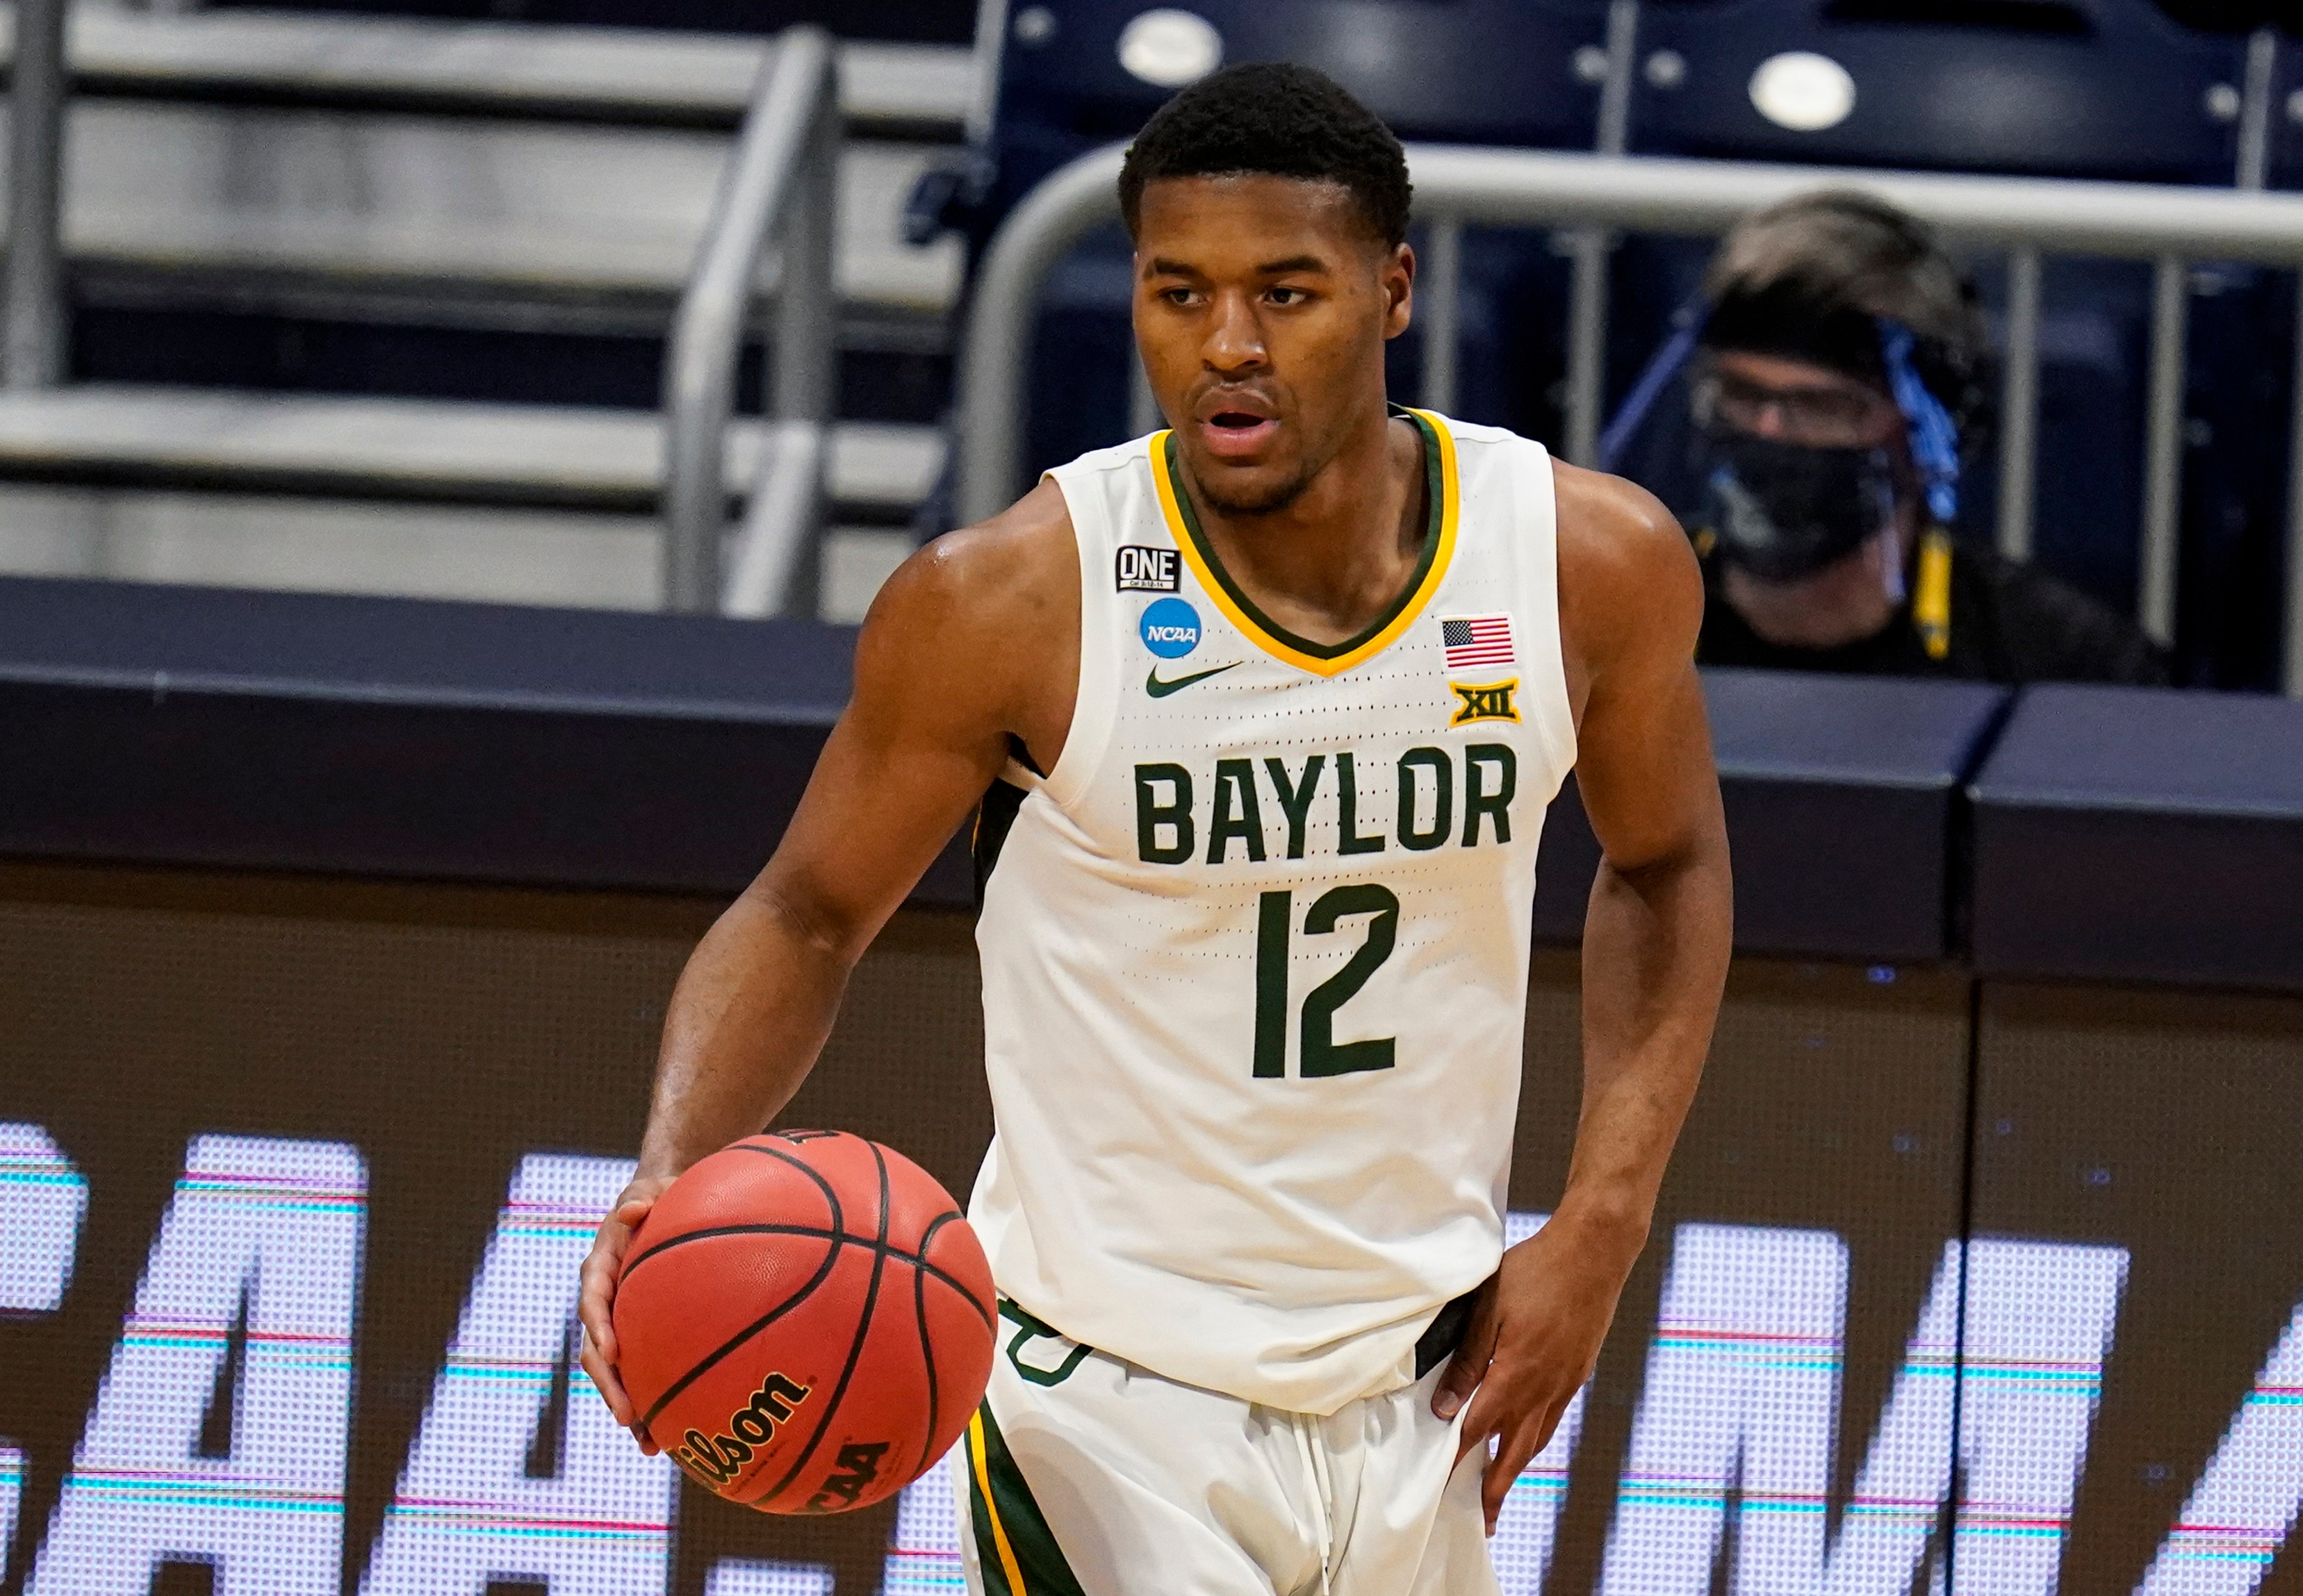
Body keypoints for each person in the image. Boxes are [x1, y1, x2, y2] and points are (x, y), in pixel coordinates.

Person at [574, 61, 1734, 1596]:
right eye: (1176, 292)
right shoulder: (1008, 600)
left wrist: (1598, 1219)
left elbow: (1665, 862)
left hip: (1429, 1388)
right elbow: (805, 908)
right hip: (1099, 1402)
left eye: (1286, 292)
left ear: (1392, 292)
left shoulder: (1585, 560)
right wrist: (672, 1163)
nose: (1226, 347)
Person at [1609, 191, 2167, 685]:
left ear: (1935, 429)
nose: (1768, 431)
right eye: (1740, 394)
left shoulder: (2068, 670)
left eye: (1823, 406)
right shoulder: (1599, 625)